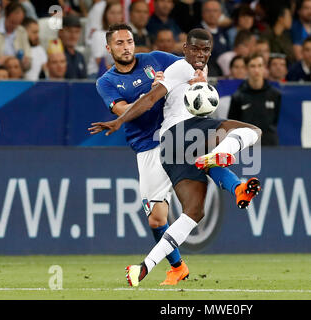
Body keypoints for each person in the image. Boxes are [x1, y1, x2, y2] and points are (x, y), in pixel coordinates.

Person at [89, 28, 262, 287]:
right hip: (147, 147)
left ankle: (237, 186)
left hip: (175, 134)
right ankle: (177, 266)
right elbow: (125, 108)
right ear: (109, 48)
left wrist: (195, 80)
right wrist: (152, 94)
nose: (126, 47)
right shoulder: (106, 82)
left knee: (202, 157)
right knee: (157, 218)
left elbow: (191, 69)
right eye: (119, 43)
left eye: (130, 41)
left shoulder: (157, 58)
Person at [228, 53, 281, 145]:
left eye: (260, 66)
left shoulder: (275, 94)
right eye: (252, 66)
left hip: (270, 145)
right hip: (247, 146)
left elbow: (276, 121)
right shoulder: (238, 96)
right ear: (246, 69)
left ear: (264, 68)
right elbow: (233, 124)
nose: (256, 70)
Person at [88, 0, 123, 78]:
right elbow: (100, 62)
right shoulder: (98, 34)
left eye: (118, 13)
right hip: (96, 74)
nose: (116, 16)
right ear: (105, 14)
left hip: (115, 73)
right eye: (112, 13)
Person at [198, 0, 231, 76]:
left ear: (220, 14)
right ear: (203, 13)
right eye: (208, 11)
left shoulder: (223, 31)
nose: (212, 14)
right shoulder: (198, 31)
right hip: (207, 72)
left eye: (215, 11)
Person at [0, 1, 31, 71]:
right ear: (6, 15)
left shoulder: (22, 31)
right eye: (12, 22)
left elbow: (28, 63)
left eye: (18, 23)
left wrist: (25, 62)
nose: (14, 26)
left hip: (16, 72)